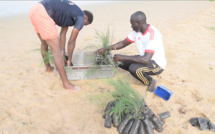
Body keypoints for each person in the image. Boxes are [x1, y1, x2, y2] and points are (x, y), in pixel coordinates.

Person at [29, 0, 93, 91]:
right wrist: (69, 60)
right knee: (57, 51)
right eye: (85, 24)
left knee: (44, 43)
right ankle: (66, 85)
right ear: (85, 19)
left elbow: (63, 35)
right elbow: (71, 41)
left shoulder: (71, 11)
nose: (83, 25)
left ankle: (48, 68)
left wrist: (64, 58)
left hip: (35, 9)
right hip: (44, 12)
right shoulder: (80, 17)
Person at [95, 11, 166, 92]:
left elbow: (146, 59)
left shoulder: (153, 34)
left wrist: (123, 57)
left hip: (156, 64)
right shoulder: (136, 31)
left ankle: (151, 82)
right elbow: (123, 43)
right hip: (144, 58)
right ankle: (139, 71)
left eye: (133, 24)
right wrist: (106, 48)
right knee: (119, 62)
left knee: (133, 68)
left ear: (140, 23)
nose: (132, 27)